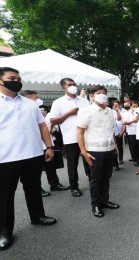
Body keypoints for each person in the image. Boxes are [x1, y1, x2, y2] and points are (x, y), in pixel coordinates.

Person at [0, 67, 57, 251]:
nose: (16, 81)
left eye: (18, 78)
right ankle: (4, 231)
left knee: (33, 188)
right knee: (4, 196)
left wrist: (49, 146)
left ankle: (38, 216)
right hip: (5, 157)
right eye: (11, 78)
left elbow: (42, 127)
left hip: (32, 154)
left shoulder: (30, 103)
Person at [77, 85, 120, 218]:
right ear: (92, 96)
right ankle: (95, 204)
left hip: (109, 149)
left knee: (106, 177)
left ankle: (104, 200)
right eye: (98, 93)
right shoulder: (86, 111)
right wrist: (83, 152)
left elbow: (111, 131)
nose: (101, 95)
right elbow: (79, 132)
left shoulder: (110, 111)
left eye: (104, 93)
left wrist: (115, 147)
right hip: (95, 151)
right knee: (96, 179)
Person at [49, 78, 90, 197]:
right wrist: (69, 113)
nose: (72, 86)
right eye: (69, 85)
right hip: (70, 138)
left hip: (87, 136)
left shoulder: (84, 101)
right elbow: (53, 120)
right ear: (63, 88)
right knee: (72, 164)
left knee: (89, 160)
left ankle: (92, 179)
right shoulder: (58, 102)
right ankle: (74, 186)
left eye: (74, 84)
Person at [39, 105, 70, 195]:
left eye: (42, 110)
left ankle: (54, 184)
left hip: (46, 144)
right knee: (36, 169)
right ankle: (37, 188)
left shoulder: (48, 117)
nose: (41, 111)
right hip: (35, 145)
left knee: (50, 165)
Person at [123, 101, 139, 166]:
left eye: (136, 106)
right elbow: (124, 122)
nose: (135, 108)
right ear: (130, 106)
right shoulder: (127, 113)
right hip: (131, 132)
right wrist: (132, 121)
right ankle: (135, 160)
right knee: (133, 147)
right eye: (134, 106)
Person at [112, 100, 123, 171]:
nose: (115, 106)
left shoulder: (116, 112)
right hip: (109, 133)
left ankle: (117, 163)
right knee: (111, 149)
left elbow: (119, 119)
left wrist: (116, 111)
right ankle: (112, 164)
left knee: (118, 147)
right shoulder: (109, 111)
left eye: (116, 105)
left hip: (117, 132)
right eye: (114, 105)